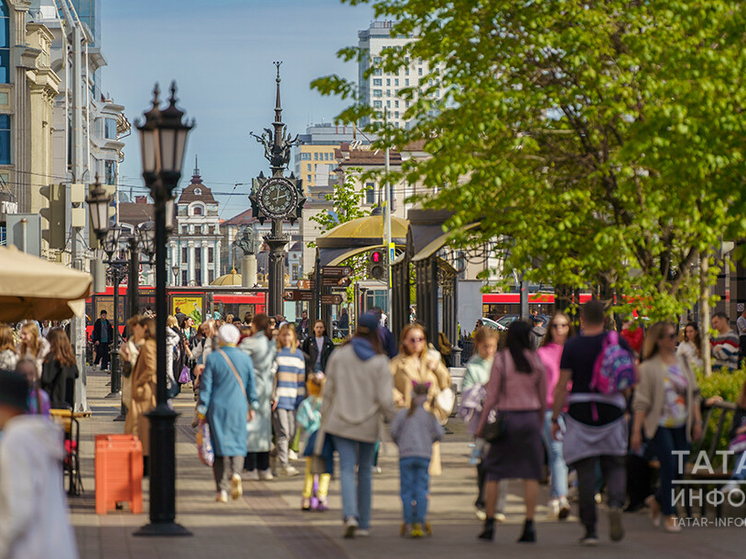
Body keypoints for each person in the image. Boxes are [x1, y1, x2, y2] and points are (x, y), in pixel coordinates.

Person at [551, 300, 630, 546]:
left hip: (581, 411)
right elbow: (627, 377)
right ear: (605, 319)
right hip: (612, 410)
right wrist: (626, 407)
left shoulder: (573, 346)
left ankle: (590, 530)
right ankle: (615, 504)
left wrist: (555, 418)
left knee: (585, 470)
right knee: (614, 463)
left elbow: (562, 385)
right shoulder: (618, 342)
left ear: (582, 319)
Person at [317, 313, 397, 538]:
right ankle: (364, 523)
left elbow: (328, 391)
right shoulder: (380, 361)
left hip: (340, 421)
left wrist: (323, 417)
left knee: (345, 468)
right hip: (369, 423)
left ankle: (350, 515)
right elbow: (385, 400)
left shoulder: (340, 355)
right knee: (365, 472)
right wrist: (396, 420)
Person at [475, 320, 546, 543]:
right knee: (531, 474)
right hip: (531, 419)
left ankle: (490, 523)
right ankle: (529, 524)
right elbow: (543, 398)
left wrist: (481, 426)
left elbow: (492, 397)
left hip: (508, 420)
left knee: (495, 472)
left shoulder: (501, 361)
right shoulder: (536, 361)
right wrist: (540, 422)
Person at [0, 369, 79, 559]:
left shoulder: (16, 440)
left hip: (31, 550)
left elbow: (17, 511)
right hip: (54, 547)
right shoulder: (37, 438)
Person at [631, 322, 702, 532]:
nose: (675, 340)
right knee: (669, 463)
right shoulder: (648, 367)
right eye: (671, 336)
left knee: (679, 468)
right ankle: (669, 513)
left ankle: (657, 499)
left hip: (683, 423)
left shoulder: (683, 362)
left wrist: (697, 420)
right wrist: (636, 431)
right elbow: (641, 402)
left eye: (675, 336)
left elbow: (694, 394)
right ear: (659, 341)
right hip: (659, 424)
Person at [198, 324, 259, 503]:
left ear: (222, 339)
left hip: (217, 408)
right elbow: (251, 386)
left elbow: (206, 386)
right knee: (238, 442)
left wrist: (201, 409)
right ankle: (237, 474)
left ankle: (221, 491)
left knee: (218, 449)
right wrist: (253, 405)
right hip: (239, 406)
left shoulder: (213, 358)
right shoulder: (245, 358)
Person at [390, 323, 451, 475]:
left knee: (429, 466)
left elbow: (446, 383)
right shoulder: (397, 363)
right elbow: (384, 384)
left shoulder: (430, 360)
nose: (416, 343)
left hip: (429, 415)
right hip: (408, 415)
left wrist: (437, 367)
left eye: (420, 339)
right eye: (412, 339)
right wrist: (397, 398)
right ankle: (413, 494)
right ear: (404, 341)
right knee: (411, 463)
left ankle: (423, 494)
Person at [462, 326, 506, 522]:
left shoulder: (501, 363)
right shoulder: (473, 366)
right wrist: (484, 389)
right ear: (478, 346)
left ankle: (498, 506)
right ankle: (482, 500)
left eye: (493, 347)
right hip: (481, 421)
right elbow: (466, 395)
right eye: (485, 347)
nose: (489, 351)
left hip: (500, 417)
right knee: (484, 462)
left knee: (500, 462)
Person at [391, 382, 445, 538]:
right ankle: (419, 521)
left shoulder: (403, 414)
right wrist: (429, 442)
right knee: (422, 488)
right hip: (424, 455)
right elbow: (440, 434)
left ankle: (408, 521)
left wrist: (400, 444)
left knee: (406, 490)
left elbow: (394, 432)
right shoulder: (429, 416)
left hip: (406, 455)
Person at [537, 312, 573, 520]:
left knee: (565, 455)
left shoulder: (574, 350)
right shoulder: (542, 354)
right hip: (550, 408)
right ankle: (561, 497)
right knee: (557, 452)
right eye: (555, 326)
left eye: (564, 325)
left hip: (572, 409)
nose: (559, 329)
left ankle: (554, 497)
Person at [238, 313, 277, 480]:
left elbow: (237, 358)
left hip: (252, 389)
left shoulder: (251, 342)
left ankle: (250, 468)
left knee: (250, 428)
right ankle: (264, 467)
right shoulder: (271, 343)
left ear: (255, 324)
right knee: (264, 430)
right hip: (267, 389)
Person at [124, 316, 157, 474]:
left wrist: (138, 382)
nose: (134, 330)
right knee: (140, 429)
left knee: (139, 428)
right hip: (143, 392)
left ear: (144, 328)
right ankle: (144, 463)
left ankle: (145, 465)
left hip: (143, 393)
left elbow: (151, 367)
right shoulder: (147, 344)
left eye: (136, 327)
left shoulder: (149, 345)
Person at [272, 324, 306, 476]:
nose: (286, 338)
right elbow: (271, 377)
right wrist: (272, 396)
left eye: (289, 335)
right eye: (283, 335)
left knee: (291, 433)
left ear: (294, 337)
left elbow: (301, 379)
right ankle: (285, 465)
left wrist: (301, 399)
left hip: (293, 399)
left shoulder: (298, 355)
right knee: (283, 432)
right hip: (279, 399)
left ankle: (272, 454)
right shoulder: (276, 353)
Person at [296, 373, 333, 511]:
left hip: (309, 441)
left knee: (310, 471)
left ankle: (306, 497)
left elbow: (301, 422)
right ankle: (322, 496)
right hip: (325, 440)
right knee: (325, 470)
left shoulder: (305, 404)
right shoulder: (327, 403)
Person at [41, 328, 79, 410]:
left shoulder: (52, 358)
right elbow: (76, 373)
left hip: (53, 403)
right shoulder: (70, 359)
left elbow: (45, 379)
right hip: (68, 403)